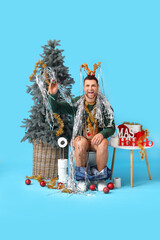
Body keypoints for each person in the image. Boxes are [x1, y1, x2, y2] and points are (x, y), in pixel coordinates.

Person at [48, 63, 115, 191]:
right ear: (84, 88)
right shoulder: (76, 103)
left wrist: (102, 134)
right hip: (81, 139)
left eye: (93, 85)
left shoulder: (105, 106)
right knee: (80, 143)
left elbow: (111, 127)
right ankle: (81, 179)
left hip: (96, 141)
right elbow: (55, 108)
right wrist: (53, 94)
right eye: (88, 86)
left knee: (104, 142)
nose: (90, 88)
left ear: (97, 88)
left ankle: (100, 179)